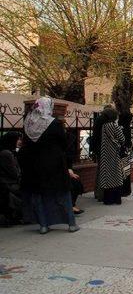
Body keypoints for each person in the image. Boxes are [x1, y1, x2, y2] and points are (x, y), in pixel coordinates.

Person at [19, 97, 78, 233]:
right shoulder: (54, 123)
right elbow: (63, 143)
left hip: (35, 164)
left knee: (39, 194)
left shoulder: (28, 122)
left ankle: (44, 225)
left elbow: (26, 145)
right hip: (55, 163)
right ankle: (71, 223)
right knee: (62, 193)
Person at [97, 106, 126, 205]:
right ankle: (116, 198)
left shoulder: (104, 126)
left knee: (107, 175)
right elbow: (122, 139)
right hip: (114, 152)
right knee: (116, 175)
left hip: (105, 153)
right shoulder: (114, 126)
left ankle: (108, 199)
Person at [0, 132, 23, 226]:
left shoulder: (8, 152)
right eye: (18, 139)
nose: (20, 141)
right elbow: (15, 173)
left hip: (8, 183)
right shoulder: (6, 153)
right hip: (9, 184)